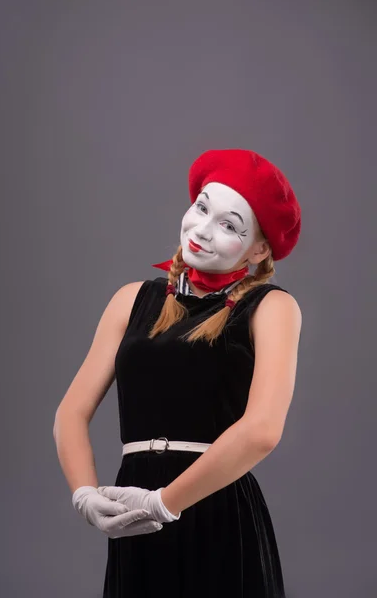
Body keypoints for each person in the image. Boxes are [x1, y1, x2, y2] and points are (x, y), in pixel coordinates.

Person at [53, 148, 302, 598]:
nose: (203, 230)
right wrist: (84, 494)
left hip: (217, 511)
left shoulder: (272, 307)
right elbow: (70, 412)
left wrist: (165, 503)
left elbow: (263, 429)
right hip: (132, 515)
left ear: (260, 248)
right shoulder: (131, 299)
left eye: (229, 225)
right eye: (202, 208)